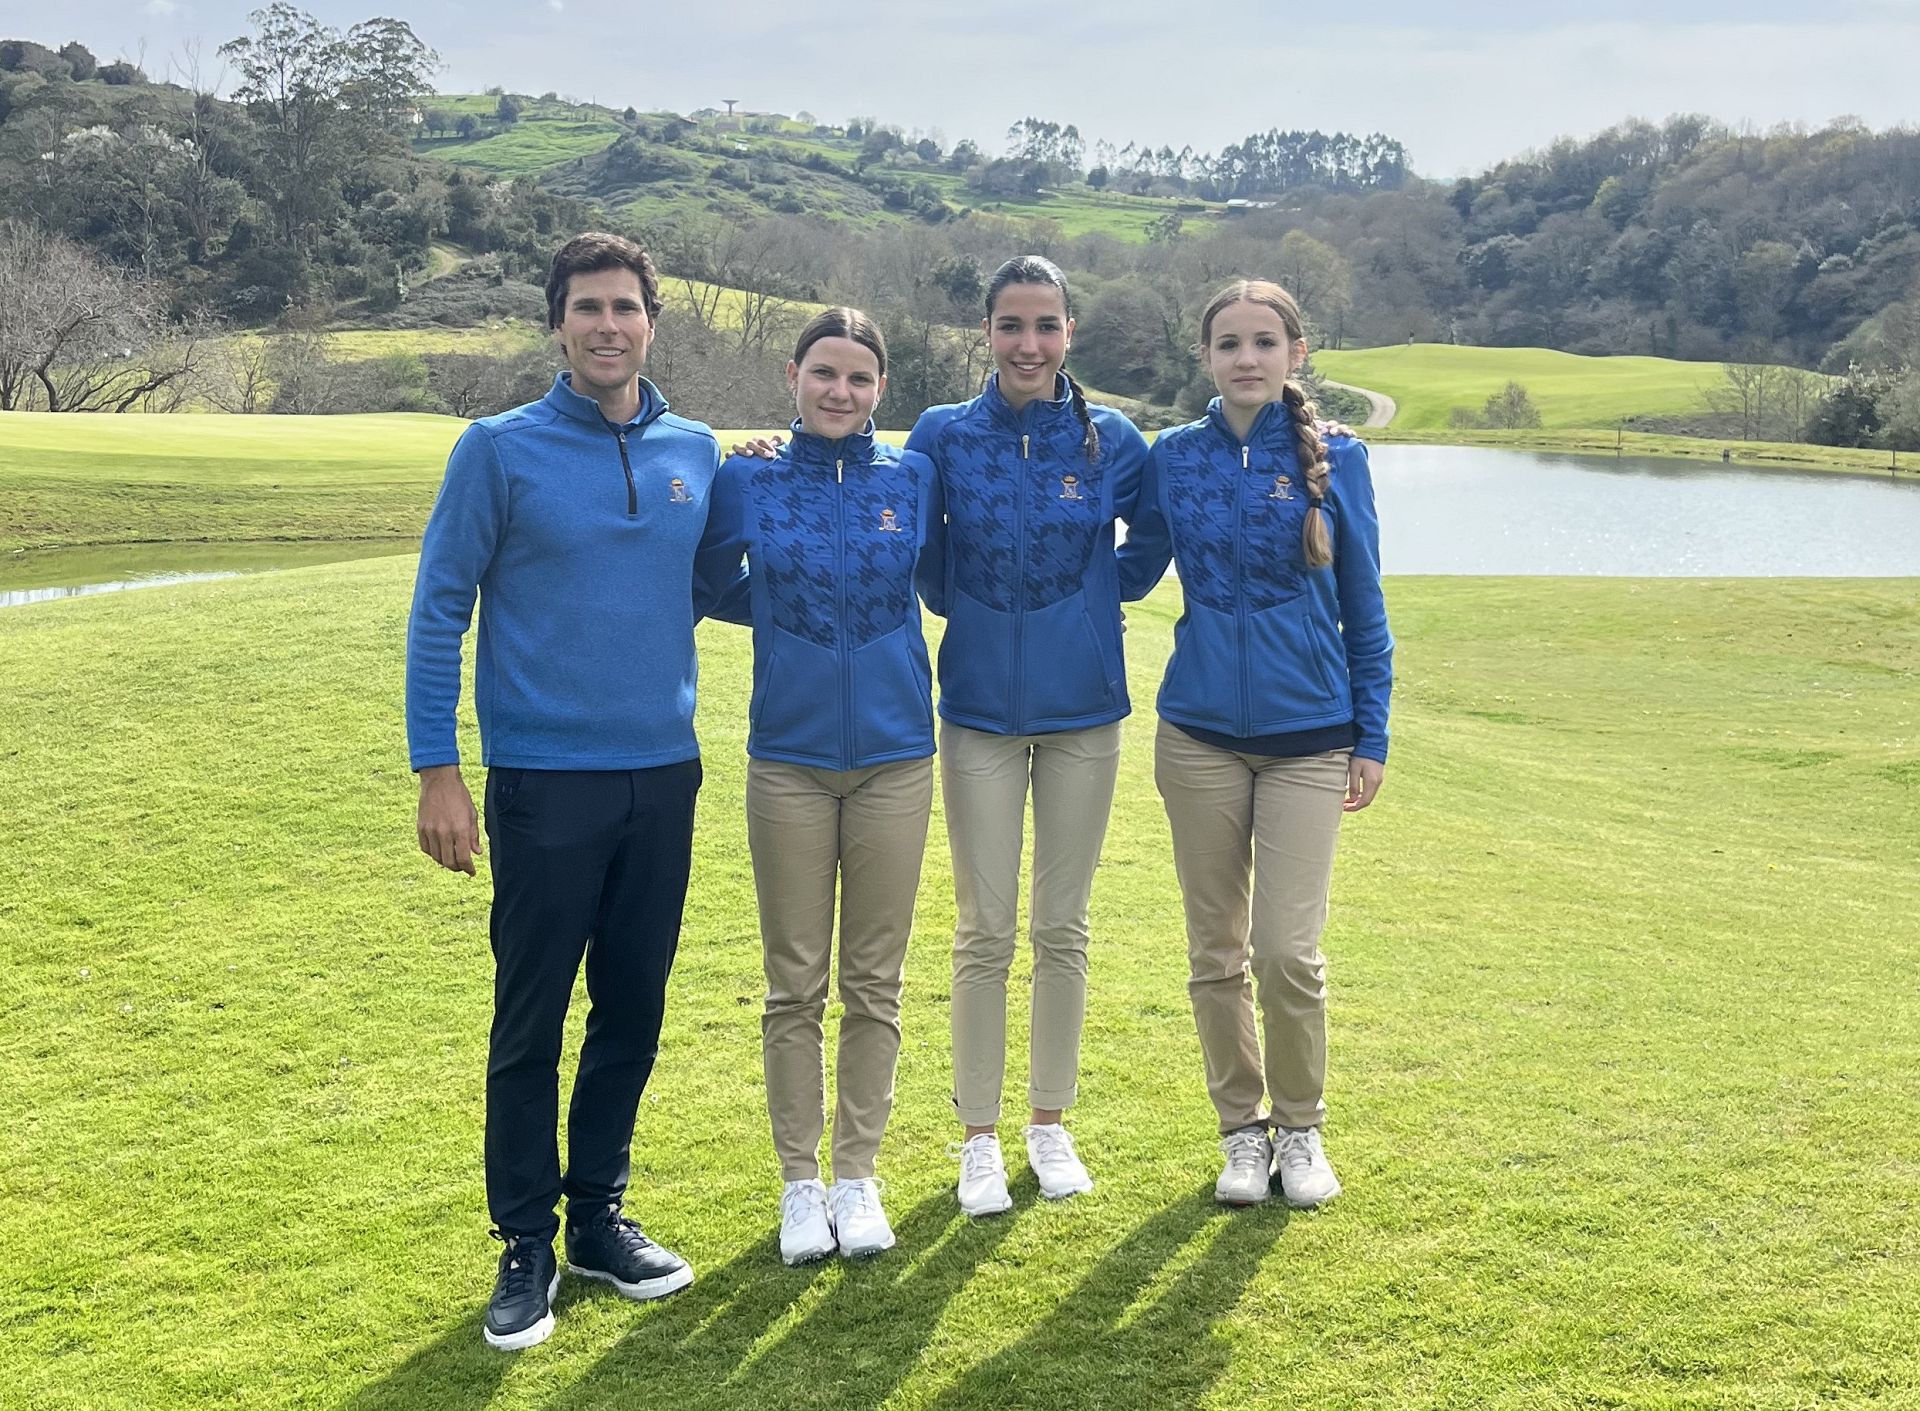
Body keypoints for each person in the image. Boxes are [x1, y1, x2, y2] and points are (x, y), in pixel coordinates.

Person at [405, 231, 743, 1350]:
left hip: (665, 774)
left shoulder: (698, 448)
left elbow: (717, 581)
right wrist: (438, 769)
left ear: (653, 321)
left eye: (627, 308)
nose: (609, 325)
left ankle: (596, 1215)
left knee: (633, 1008)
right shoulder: (495, 451)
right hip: (544, 783)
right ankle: (525, 1240)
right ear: (558, 321)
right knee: (531, 1016)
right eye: (588, 307)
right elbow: (439, 609)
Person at [1117, 278, 1393, 1210]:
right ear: (1206, 357)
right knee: (1214, 950)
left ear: (1295, 353)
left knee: (1286, 952)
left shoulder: (1339, 461)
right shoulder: (1173, 458)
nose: (1247, 358)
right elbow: (1127, 565)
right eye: (1229, 343)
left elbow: (1365, 606)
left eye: (1264, 342)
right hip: (1196, 737)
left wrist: (1373, 732)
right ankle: (1242, 1132)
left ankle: (1302, 1128)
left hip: (1312, 740)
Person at [910, 256, 1151, 1215]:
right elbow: (921, 552)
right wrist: (961, 607)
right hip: (975, 712)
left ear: (1069, 333)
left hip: (1085, 712)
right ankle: (978, 1137)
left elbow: (1158, 534)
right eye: (1011, 325)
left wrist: (1099, 601)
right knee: (984, 928)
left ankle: (1049, 1123)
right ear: (986, 331)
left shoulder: (1114, 439)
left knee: (1062, 927)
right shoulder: (942, 436)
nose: (1028, 344)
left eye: (1045, 325)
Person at [701, 308, 937, 1264]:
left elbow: (948, 575)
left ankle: (858, 1174)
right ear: (792, 375)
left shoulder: (914, 477)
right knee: (794, 985)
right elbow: (706, 582)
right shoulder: (746, 474)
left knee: (875, 983)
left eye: (861, 378)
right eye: (824, 374)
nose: (841, 392)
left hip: (896, 759)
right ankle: (802, 1183)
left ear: (882, 387)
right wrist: (778, 617)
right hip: (788, 762)